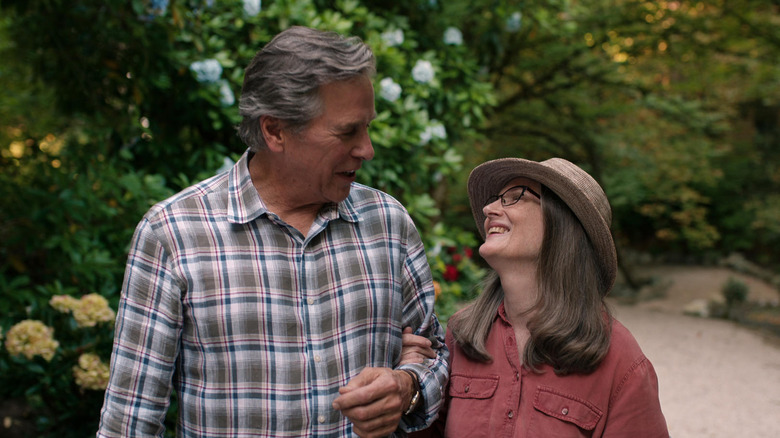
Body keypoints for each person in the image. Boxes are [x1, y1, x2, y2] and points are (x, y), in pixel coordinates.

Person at [97, 26, 448, 438]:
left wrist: (408, 387)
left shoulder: (388, 222)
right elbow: (130, 421)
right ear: (275, 130)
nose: (367, 149)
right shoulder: (173, 234)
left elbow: (434, 354)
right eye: (347, 131)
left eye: (367, 127)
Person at [404, 157, 669, 437]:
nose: (488, 209)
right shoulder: (462, 334)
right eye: (495, 198)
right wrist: (411, 383)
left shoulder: (619, 359)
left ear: (562, 222)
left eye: (514, 196)